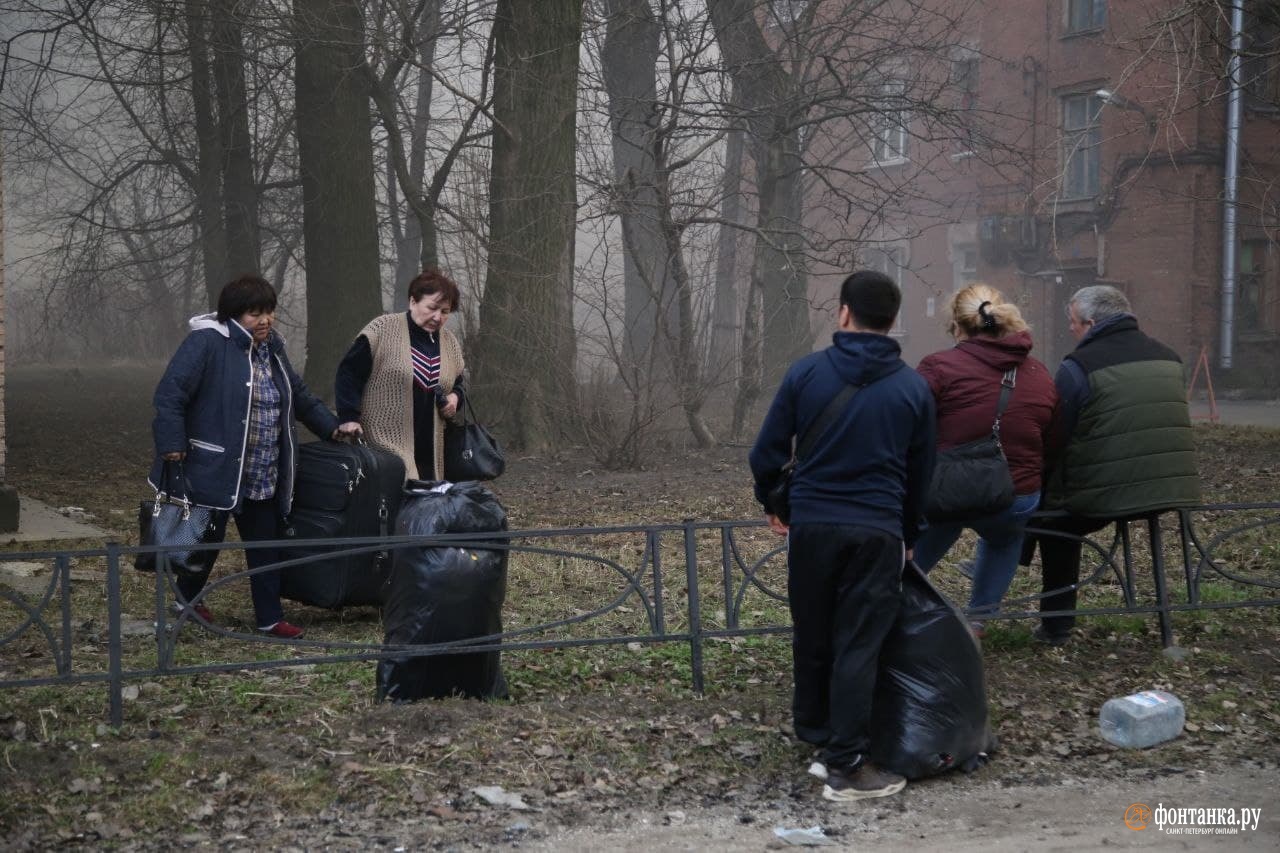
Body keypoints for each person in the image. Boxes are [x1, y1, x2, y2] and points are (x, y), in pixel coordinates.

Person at [749, 270, 935, 802]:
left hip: (811, 527)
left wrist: (775, 501)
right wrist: (910, 530)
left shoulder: (806, 374)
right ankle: (847, 766)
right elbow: (922, 474)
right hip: (876, 528)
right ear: (894, 321)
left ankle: (818, 734)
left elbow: (765, 453)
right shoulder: (913, 388)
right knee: (858, 642)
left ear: (843, 313)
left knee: (813, 629)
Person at [150, 274, 360, 639]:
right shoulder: (206, 343)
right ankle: (184, 602)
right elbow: (171, 394)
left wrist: (333, 428)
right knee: (202, 540)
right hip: (211, 467)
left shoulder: (272, 347)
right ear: (233, 315)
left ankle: (269, 618)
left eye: (269, 312)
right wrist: (172, 442)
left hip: (263, 470)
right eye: (254, 313)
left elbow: (299, 395)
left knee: (265, 545)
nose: (265, 320)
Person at [1032, 285, 1200, 645]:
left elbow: (1057, 433)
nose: (1071, 330)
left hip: (1109, 492)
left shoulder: (1078, 367)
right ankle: (1165, 625)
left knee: (1053, 522)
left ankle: (1056, 626)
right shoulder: (1169, 357)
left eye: (1073, 323)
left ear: (1091, 323)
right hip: (1170, 487)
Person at [913, 285, 1058, 637]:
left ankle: (896, 599)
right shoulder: (1039, 374)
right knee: (1005, 538)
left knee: (932, 531)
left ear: (957, 325)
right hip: (1015, 494)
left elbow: (910, 426)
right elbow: (1053, 439)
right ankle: (978, 618)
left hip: (947, 490)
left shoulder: (937, 367)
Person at [335, 269, 465, 482]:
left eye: (445, 311)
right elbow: (349, 373)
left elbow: (458, 383)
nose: (437, 317)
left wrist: (455, 398)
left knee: (426, 508)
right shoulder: (382, 329)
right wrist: (349, 417)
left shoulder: (449, 343)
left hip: (431, 449)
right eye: (432, 308)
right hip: (384, 443)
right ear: (413, 302)